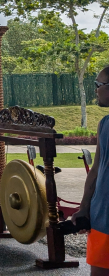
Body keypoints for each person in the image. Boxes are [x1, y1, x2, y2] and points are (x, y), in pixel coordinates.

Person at [72, 66, 109, 275]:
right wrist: (84, 207)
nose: (95, 90)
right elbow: (95, 170)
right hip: (101, 216)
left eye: (98, 84)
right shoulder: (104, 124)